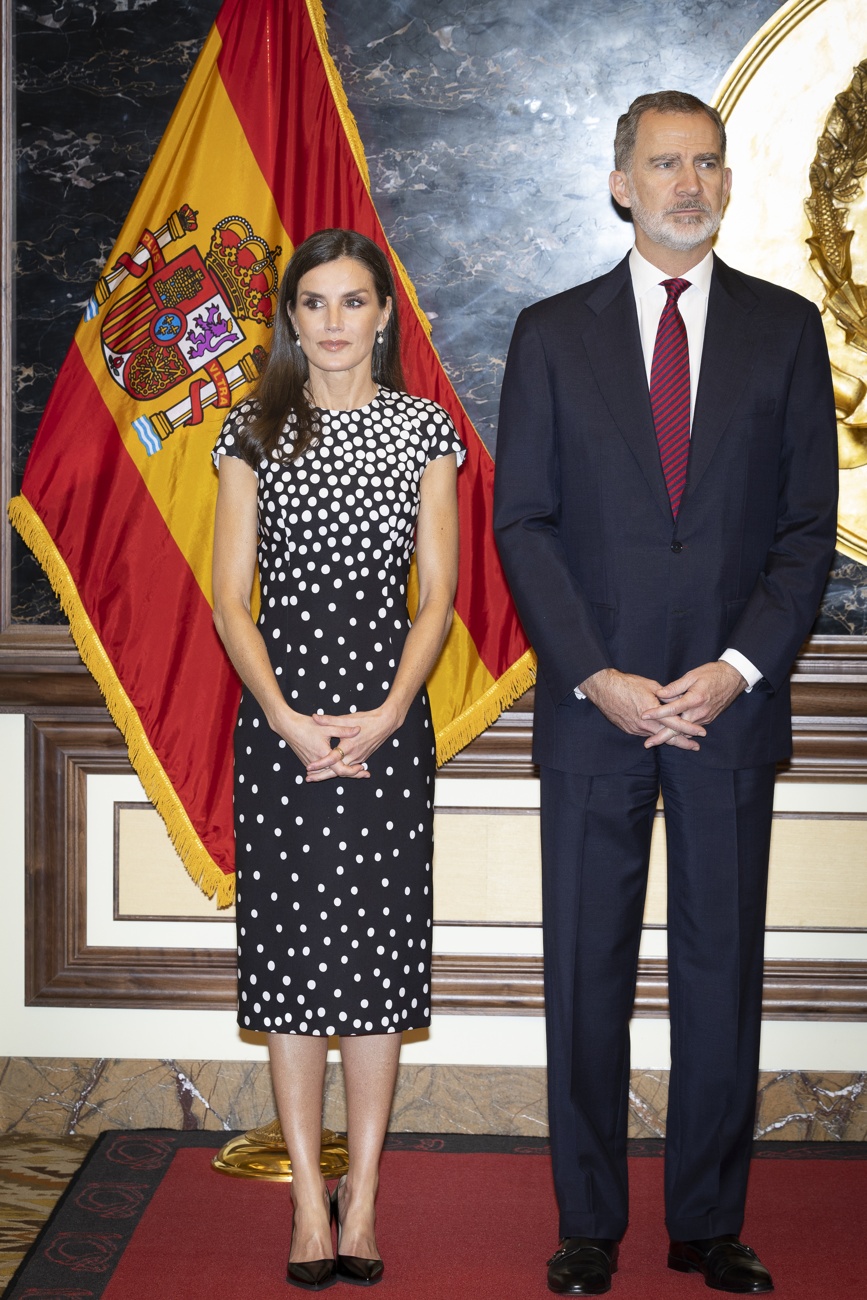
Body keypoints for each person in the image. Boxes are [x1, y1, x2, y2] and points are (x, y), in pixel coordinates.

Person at [494, 91, 838, 1296]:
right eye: (663, 163)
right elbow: (522, 522)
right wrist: (596, 672)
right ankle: (587, 1220)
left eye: (707, 163)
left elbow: (806, 532)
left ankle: (706, 1222)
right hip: (597, 711)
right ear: (620, 183)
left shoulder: (789, 332)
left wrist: (736, 668)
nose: (688, 184)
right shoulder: (550, 333)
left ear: (728, 184)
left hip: (727, 711)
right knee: (585, 973)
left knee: (719, 973)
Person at [212, 227, 463, 1290]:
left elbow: (438, 595)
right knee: (292, 965)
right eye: (311, 303)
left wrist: (389, 712)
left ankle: (363, 1196)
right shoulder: (252, 428)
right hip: (280, 732)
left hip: (387, 727)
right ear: (290, 317)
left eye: (351, 301)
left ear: (381, 315)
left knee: (372, 961)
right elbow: (231, 599)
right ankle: (307, 1208)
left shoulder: (424, 430)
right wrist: (285, 717)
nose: (330, 322)